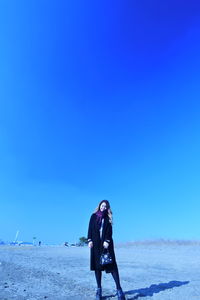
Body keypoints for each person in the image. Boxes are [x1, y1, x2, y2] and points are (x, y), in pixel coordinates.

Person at [87, 200, 125, 300]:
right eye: (102, 205)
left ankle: (119, 290)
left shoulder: (108, 218)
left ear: (107, 208)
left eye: (105, 206)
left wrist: (107, 241)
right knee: (97, 267)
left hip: (107, 245)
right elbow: (90, 229)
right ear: (99, 206)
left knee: (112, 267)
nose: (103, 207)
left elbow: (109, 231)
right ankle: (99, 290)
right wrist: (89, 240)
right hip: (96, 245)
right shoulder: (93, 216)